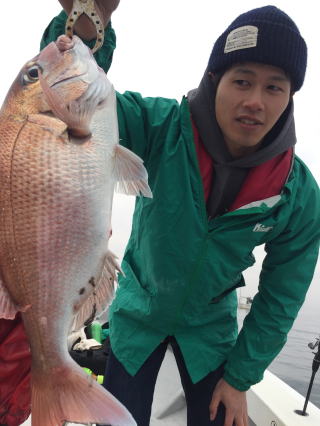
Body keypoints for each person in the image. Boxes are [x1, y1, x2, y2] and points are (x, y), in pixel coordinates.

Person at [1, 2, 319, 426]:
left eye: (274, 87)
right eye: (242, 81)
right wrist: (87, 20)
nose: (255, 101)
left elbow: (283, 294)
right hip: (136, 317)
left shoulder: (297, 193)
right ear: (214, 79)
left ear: (291, 96)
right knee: (118, 420)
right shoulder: (161, 126)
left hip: (211, 333)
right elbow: (65, 106)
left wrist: (241, 378)